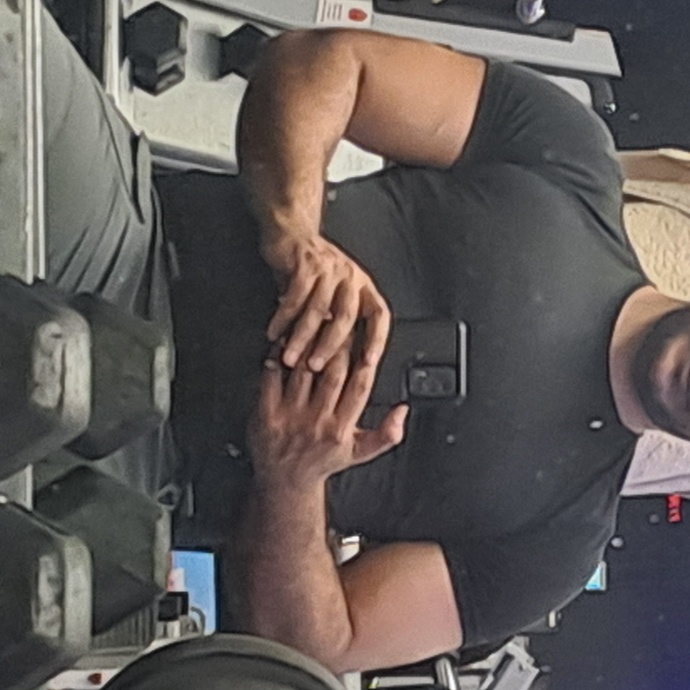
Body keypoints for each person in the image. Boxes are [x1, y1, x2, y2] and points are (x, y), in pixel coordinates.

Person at [32, 7, 690, 676]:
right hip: (125, 234)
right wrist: (295, 230)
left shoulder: (556, 550)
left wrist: (293, 481)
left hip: (124, 469)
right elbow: (324, 65)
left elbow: (313, 646)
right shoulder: (572, 157)